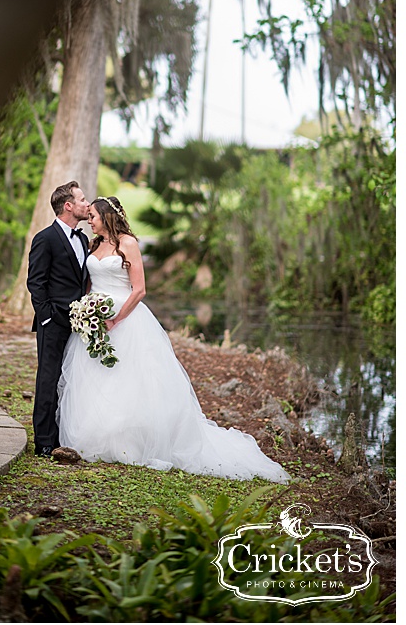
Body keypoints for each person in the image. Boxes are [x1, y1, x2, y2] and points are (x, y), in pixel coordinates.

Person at [57, 196, 289, 482]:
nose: (89, 220)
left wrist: (116, 319)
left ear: (107, 216)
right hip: (95, 319)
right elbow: (90, 283)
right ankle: (98, 435)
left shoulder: (127, 243)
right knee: (95, 376)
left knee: (130, 378)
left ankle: (133, 441)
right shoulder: (93, 244)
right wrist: (87, 311)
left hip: (125, 318)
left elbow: (139, 290)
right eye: (88, 216)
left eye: (92, 216)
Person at [25, 180, 91, 457]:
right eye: (82, 199)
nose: (87, 204)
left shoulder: (84, 239)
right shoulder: (45, 238)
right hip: (53, 322)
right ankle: (44, 442)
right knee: (48, 379)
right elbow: (35, 283)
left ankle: (66, 433)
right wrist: (47, 318)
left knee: (73, 379)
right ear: (68, 206)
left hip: (80, 323)